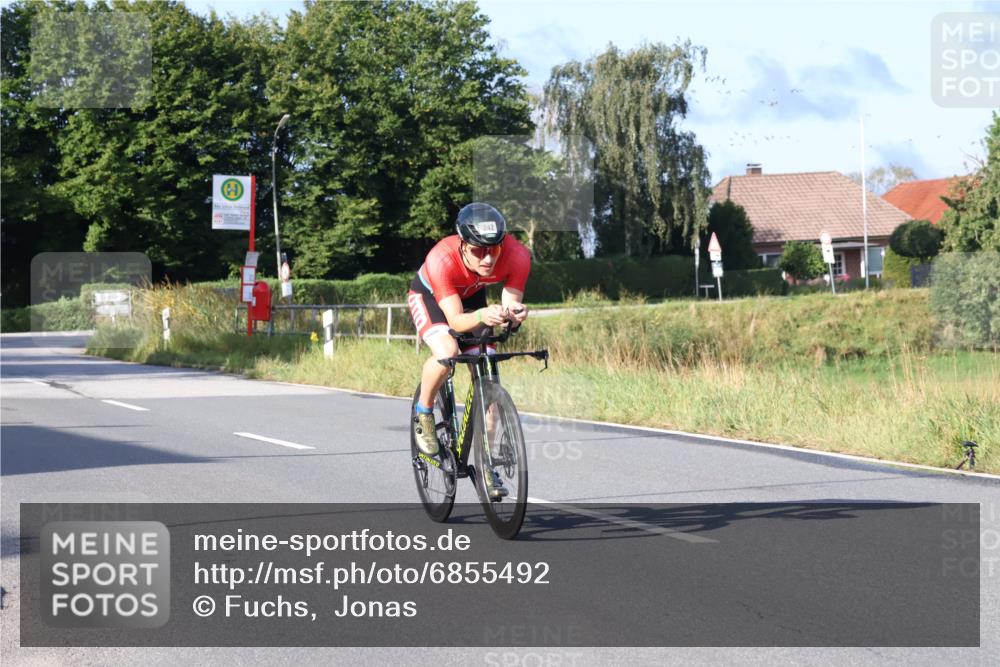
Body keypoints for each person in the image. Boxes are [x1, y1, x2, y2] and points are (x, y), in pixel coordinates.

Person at [407, 203, 530, 493]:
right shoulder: (441, 258)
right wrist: (481, 316)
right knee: (447, 351)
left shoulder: (518, 256)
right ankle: (423, 413)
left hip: (472, 296)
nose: (487, 259)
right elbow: (455, 321)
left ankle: (487, 464)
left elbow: (511, 303)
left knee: (488, 372)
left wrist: (514, 313)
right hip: (431, 298)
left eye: (494, 250)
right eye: (478, 251)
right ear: (463, 244)